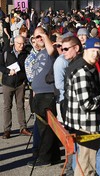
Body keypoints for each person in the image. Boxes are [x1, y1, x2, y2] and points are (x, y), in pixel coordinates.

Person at [64, 38, 100, 176]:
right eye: (92, 51)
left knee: (84, 163)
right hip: (86, 125)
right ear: (85, 50)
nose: (95, 55)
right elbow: (87, 104)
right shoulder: (82, 71)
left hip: (83, 123)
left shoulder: (87, 68)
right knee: (87, 165)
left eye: (98, 52)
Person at [27, 26, 60, 168]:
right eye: (35, 37)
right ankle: (54, 155)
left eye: (40, 36)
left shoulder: (50, 49)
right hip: (38, 94)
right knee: (45, 127)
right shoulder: (38, 53)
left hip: (48, 94)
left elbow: (52, 50)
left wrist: (44, 35)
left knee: (45, 129)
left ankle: (44, 157)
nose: (38, 39)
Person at [0, 35, 31, 139]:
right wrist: (8, 71)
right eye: (19, 44)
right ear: (14, 43)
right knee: (7, 107)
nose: (21, 46)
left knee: (20, 106)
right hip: (8, 83)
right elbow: (0, 66)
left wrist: (25, 81)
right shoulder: (6, 52)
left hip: (20, 84)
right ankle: (7, 130)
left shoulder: (26, 53)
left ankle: (23, 128)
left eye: (23, 44)